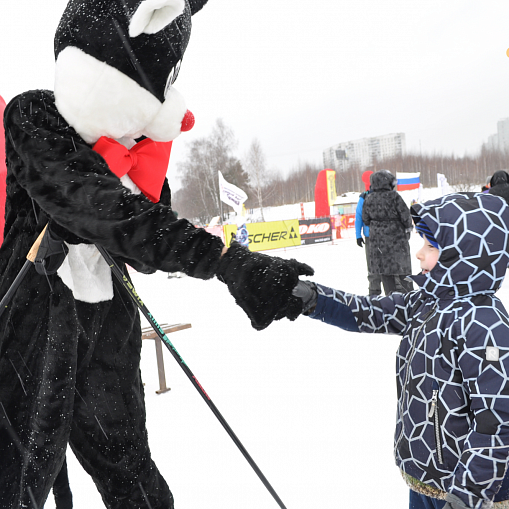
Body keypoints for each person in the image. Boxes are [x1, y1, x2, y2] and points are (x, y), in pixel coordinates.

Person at [0, 1, 312, 507]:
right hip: (31, 328)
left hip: (106, 326)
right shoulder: (33, 114)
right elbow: (102, 211)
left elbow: (142, 240)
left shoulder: (133, 145)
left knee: (131, 473)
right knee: (20, 476)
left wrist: (229, 264)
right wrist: (225, 262)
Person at [292, 192, 509, 509]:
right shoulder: (427, 302)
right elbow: (368, 312)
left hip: (471, 494)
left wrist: (466, 497)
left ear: (465, 256)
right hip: (424, 480)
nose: (419, 254)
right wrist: (309, 297)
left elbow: (496, 425)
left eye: (431, 246)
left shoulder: (485, 326)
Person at [362, 170, 413, 295]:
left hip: (378, 242)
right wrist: (407, 228)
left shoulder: (368, 198)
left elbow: (365, 219)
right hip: (397, 239)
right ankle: (411, 299)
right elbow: (405, 215)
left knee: (385, 272)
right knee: (402, 270)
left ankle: (391, 301)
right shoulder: (394, 196)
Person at [355, 170, 382, 296]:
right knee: (377, 265)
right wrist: (358, 235)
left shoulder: (365, 197)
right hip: (374, 236)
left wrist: (358, 235)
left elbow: (359, 217)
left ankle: (375, 293)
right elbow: (359, 217)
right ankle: (375, 293)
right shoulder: (365, 197)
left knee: (374, 265)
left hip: (377, 236)